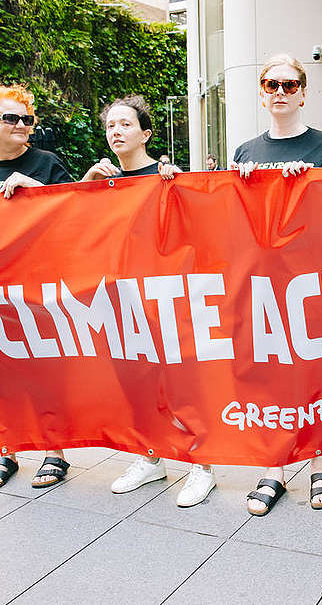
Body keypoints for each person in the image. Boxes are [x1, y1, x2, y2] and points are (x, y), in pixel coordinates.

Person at [82, 95, 216, 508]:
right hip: (121, 294)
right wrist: (87, 187)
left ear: (146, 134)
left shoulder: (166, 177)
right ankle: (150, 456)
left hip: (166, 294)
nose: (116, 131)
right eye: (110, 126)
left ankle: (202, 465)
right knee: (136, 379)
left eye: (125, 124)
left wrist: (180, 186)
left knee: (182, 380)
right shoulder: (102, 182)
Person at [231, 53, 322, 516]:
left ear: (303, 92)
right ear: (262, 94)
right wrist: (239, 186)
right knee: (272, 374)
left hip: (313, 279)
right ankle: (274, 467)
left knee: (315, 372)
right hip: (264, 282)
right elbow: (232, 223)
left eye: (288, 84)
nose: (280, 92)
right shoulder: (244, 152)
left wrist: (312, 184)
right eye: (271, 84)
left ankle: (321, 465)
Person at [0, 84, 74, 490]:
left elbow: (75, 214)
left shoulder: (46, 163)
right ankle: (9, 449)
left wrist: (36, 190)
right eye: (12, 118)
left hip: (36, 283)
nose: (22, 125)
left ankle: (54, 453)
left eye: (27, 119)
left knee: (43, 368)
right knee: (0, 370)